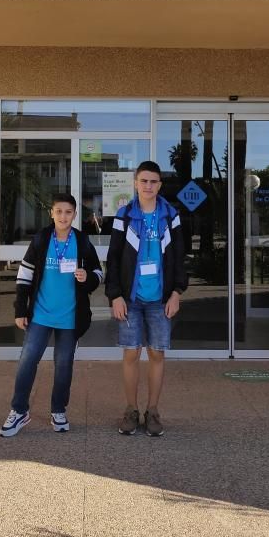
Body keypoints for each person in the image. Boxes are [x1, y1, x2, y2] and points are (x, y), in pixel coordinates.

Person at [0, 193, 102, 437]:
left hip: (69, 317)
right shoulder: (41, 239)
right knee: (27, 360)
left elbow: (98, 272)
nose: (63, 216)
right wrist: (20, 310)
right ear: (51, 213)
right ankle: (19, 411)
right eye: (59, 211)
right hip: (40, 315)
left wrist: (88, 278)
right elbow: (24, 276)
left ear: (75, 215)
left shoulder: (82, 241)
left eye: (68, 212)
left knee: (64, 365)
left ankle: (58, 410)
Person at [105, 160, 188, 436]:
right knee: (131, 354)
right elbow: (114, 258)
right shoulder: (124, 215)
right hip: (130, 299)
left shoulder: (170, 215)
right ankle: (131, 410)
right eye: (144, 181)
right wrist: (115, 295)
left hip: (160, 299)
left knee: (156, 353)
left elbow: (178, 257)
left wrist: (176, 292)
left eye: (153, 181)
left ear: (160, 185)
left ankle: (153, 411)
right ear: (135, 183)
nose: (148, 186)